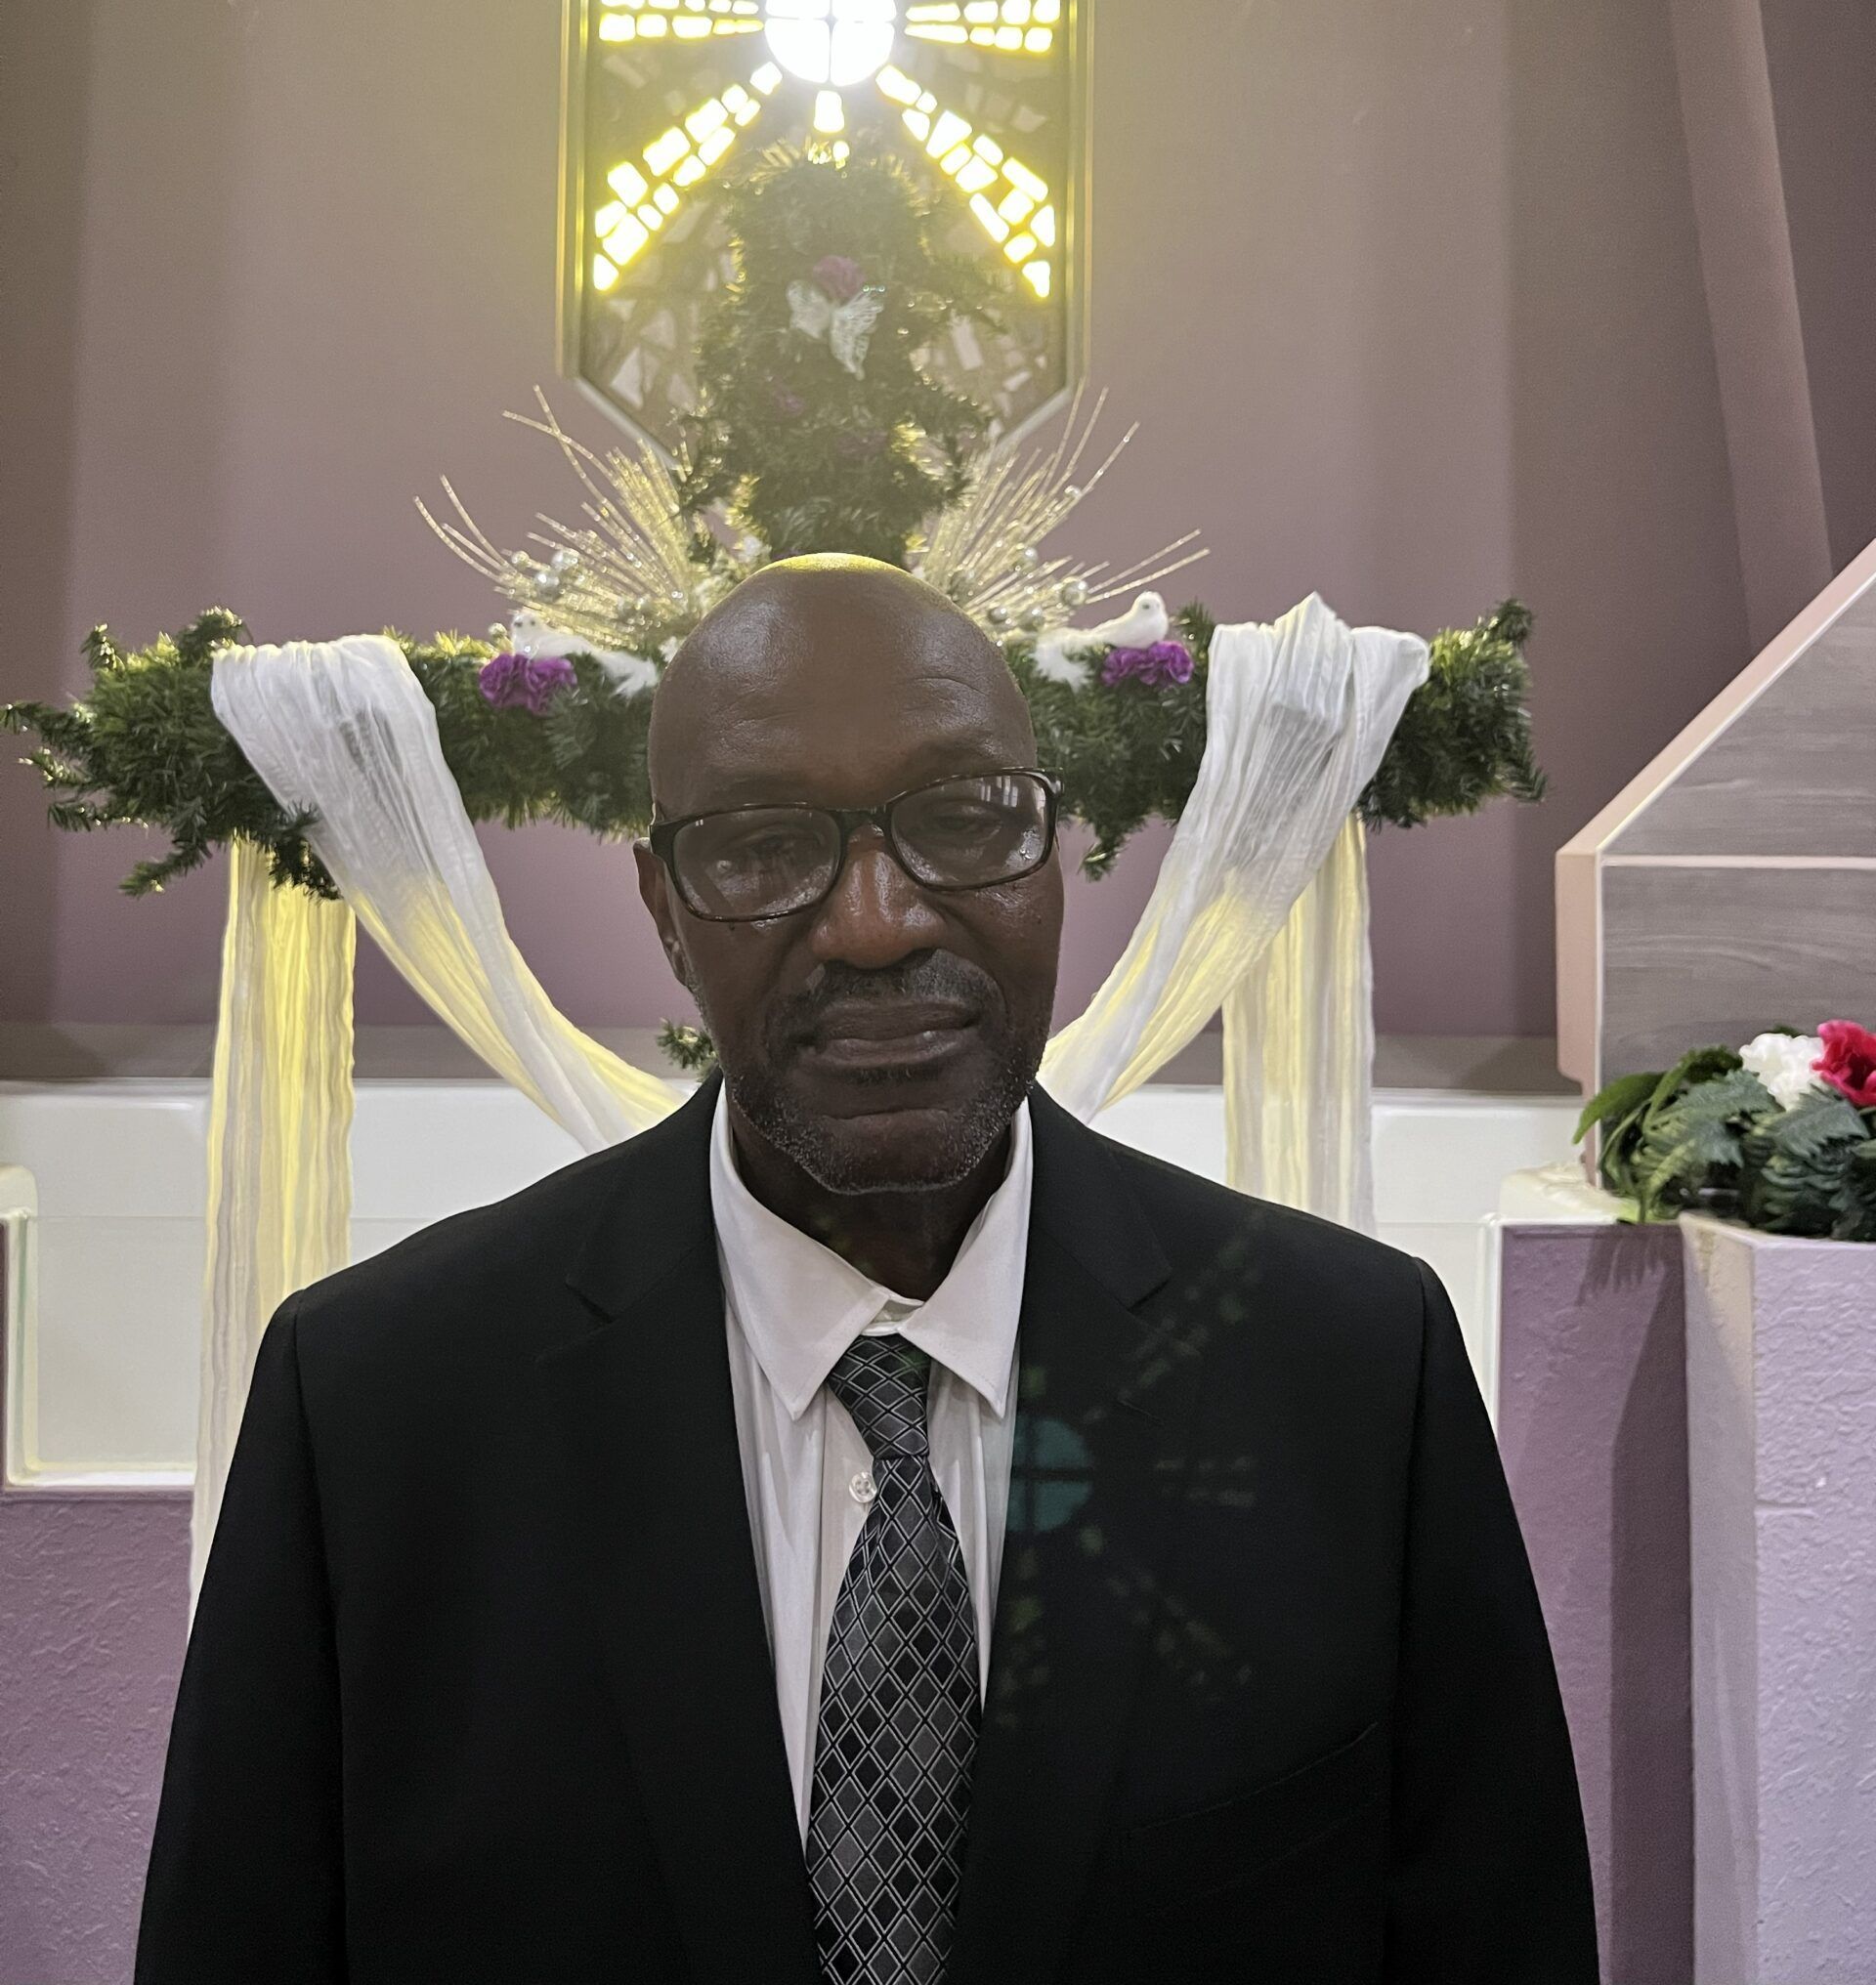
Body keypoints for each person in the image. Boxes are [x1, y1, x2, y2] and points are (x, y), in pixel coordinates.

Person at [136, 556, 1599, 1985]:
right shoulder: (381, 1408)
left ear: (1056, 852)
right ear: (662, 905)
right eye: (766, 847)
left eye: (964, 820)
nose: (876, 922)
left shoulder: (1347, 1372)